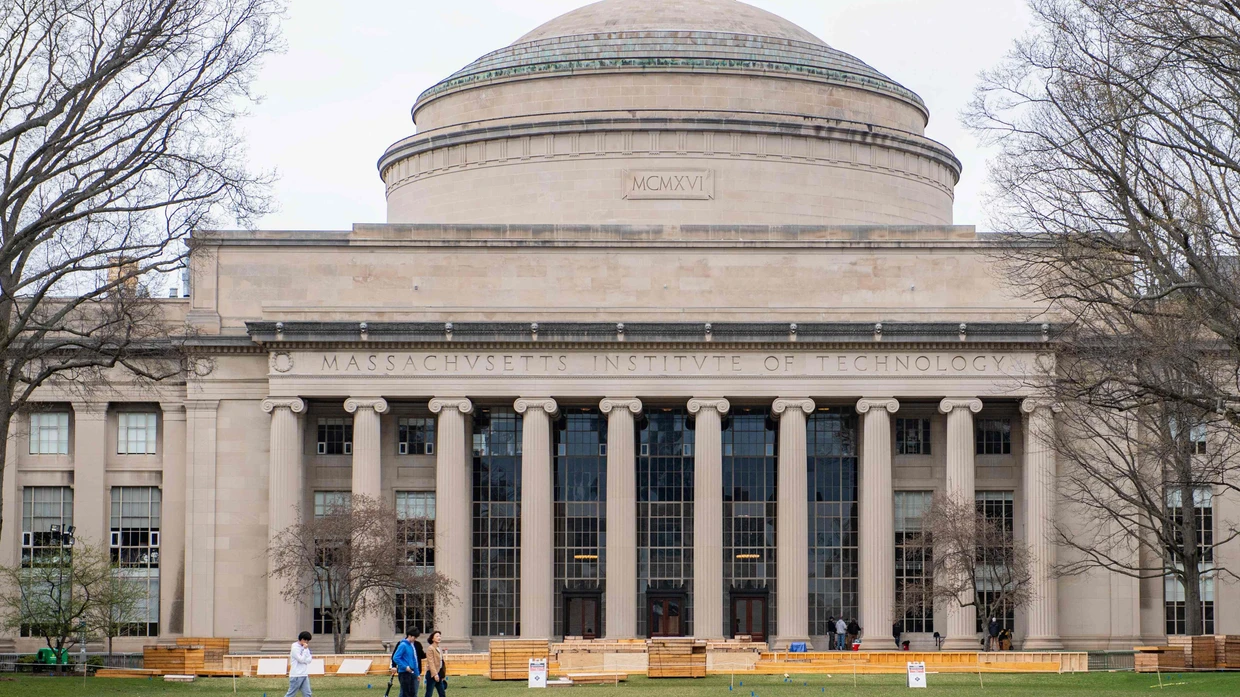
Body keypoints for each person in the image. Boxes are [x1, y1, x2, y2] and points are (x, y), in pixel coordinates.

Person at [393, 629, 421, 697]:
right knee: (405, 693)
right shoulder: (403, 645)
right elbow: (396, 657)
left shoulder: (411, 646)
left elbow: (414, 660)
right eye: (414, 637)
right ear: (409, 636)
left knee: (412, 693)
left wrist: (417, 673)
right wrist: (405, 667)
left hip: (411, 672)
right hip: (404, 673)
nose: (415, 639)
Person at [286, 631, 313, 697]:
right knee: (291, 694)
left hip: (304, 674)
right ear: (301, 639)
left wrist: (305, 651)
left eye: (308, 641)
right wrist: (305, 652)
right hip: (296, 675)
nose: (306, 642)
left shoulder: (305, 648)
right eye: (305, 640)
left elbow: (309, 660)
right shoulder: (295, 648)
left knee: (308, 694)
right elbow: (301, 660)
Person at [424, 630, 446, 697]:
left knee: (442, 692)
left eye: (439, 636)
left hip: (439, 672)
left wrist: (442, 674)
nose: (439, 637)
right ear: (432, 638)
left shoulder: (439, 648)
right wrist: (435, 674)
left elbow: (441, 661)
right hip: (432, 673)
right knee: (429, 692)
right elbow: (431, 662)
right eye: (437, 636)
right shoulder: (430, 648)